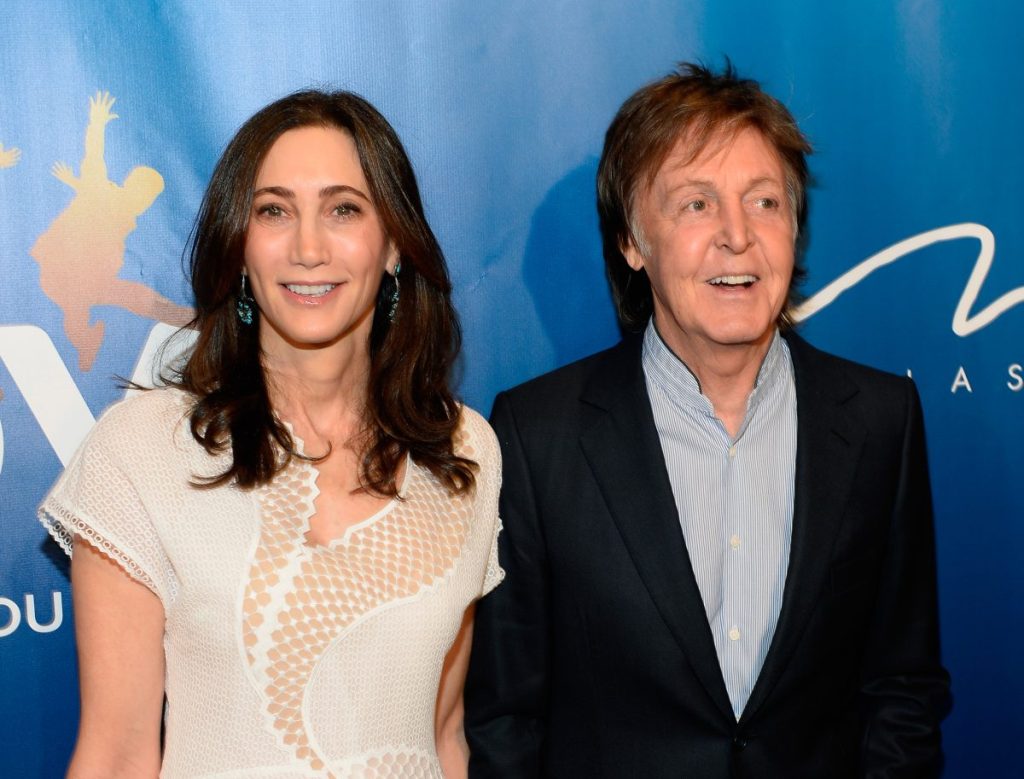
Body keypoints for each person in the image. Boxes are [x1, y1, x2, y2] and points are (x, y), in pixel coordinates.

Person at [465, 62, 950, 777]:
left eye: (764, 203)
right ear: (633, 243)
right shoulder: (538, 434)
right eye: (695, 204)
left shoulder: (882, 420)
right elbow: (506, 719)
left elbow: (902, 689)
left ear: (794, 230)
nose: (736, 237)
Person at [39, 90, 503, 778]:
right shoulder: (141, 451)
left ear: (396, 245)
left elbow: (443, 736)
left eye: (344, 209)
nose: (308, 247)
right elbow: (116, 753)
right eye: (274, 211)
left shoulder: (465, 449)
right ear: (241, 246)